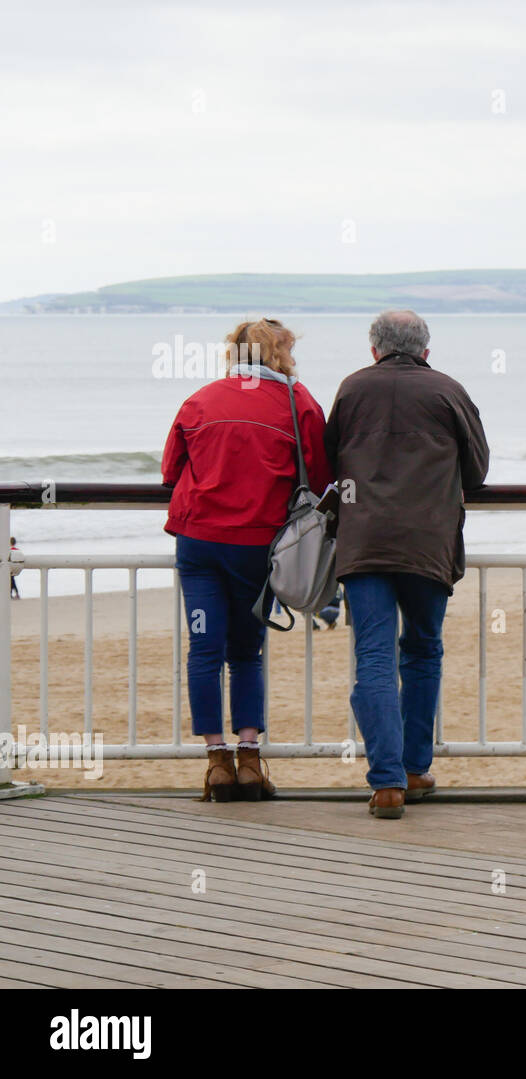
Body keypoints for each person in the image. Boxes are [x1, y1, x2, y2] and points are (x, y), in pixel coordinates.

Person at [325, 310, 489, 819]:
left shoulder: (352, 390)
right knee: (422, 651)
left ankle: (387, 782)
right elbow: (478, 471)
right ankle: (415, 769)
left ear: (373, 349)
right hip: (427, 541)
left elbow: (328, 459)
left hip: (365, 542)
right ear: (426, 349)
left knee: (373, 656)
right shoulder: (447, 391)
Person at [162, 319, 331, 802]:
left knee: (204, 650)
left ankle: (216, 761)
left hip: (197, 540)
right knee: (246, 653)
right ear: (279, 353)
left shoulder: (201, 399)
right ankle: (250, 757)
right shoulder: (299, 404)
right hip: (256, 544)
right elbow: (319, 478)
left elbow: (170, 469)